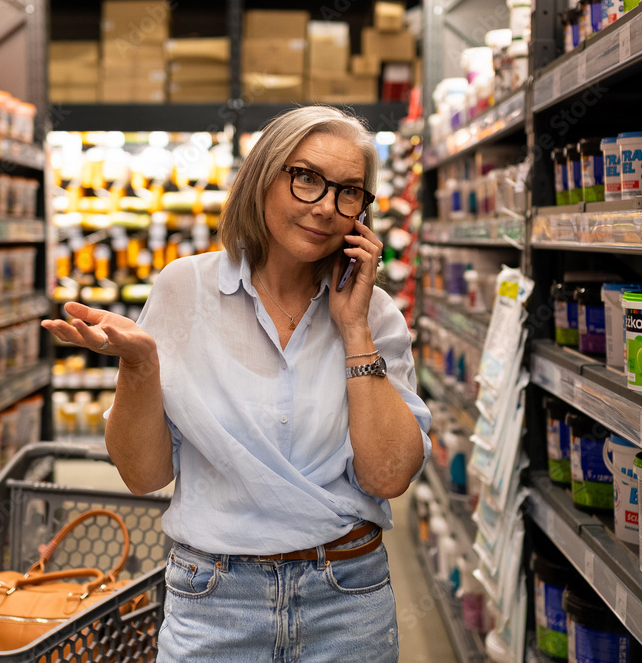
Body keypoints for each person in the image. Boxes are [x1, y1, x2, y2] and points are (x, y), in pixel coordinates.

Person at [41, 105, 431, 662]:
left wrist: (354, 328)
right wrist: (140, 368)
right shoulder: (184, 289)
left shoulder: (375, 316)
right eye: (307, 178)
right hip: (214, 600)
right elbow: (143, 474)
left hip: (346, 595)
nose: (326, 207)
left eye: (349, 192)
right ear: (262, 178)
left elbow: (389, 474)